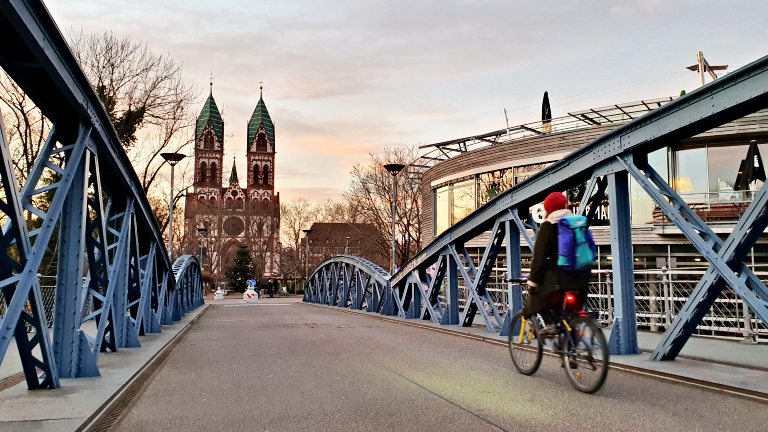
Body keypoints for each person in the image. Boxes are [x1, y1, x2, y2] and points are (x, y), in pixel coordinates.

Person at [522, 192, 589, 335]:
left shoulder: (548, 225)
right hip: (581, 279)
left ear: (548, 209)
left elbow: (539, 257)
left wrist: (533, 282)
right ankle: (572, 344)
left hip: (559, 282)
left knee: (537, 296)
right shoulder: (578, 223)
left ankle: (550, 324)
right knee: (569, 315)